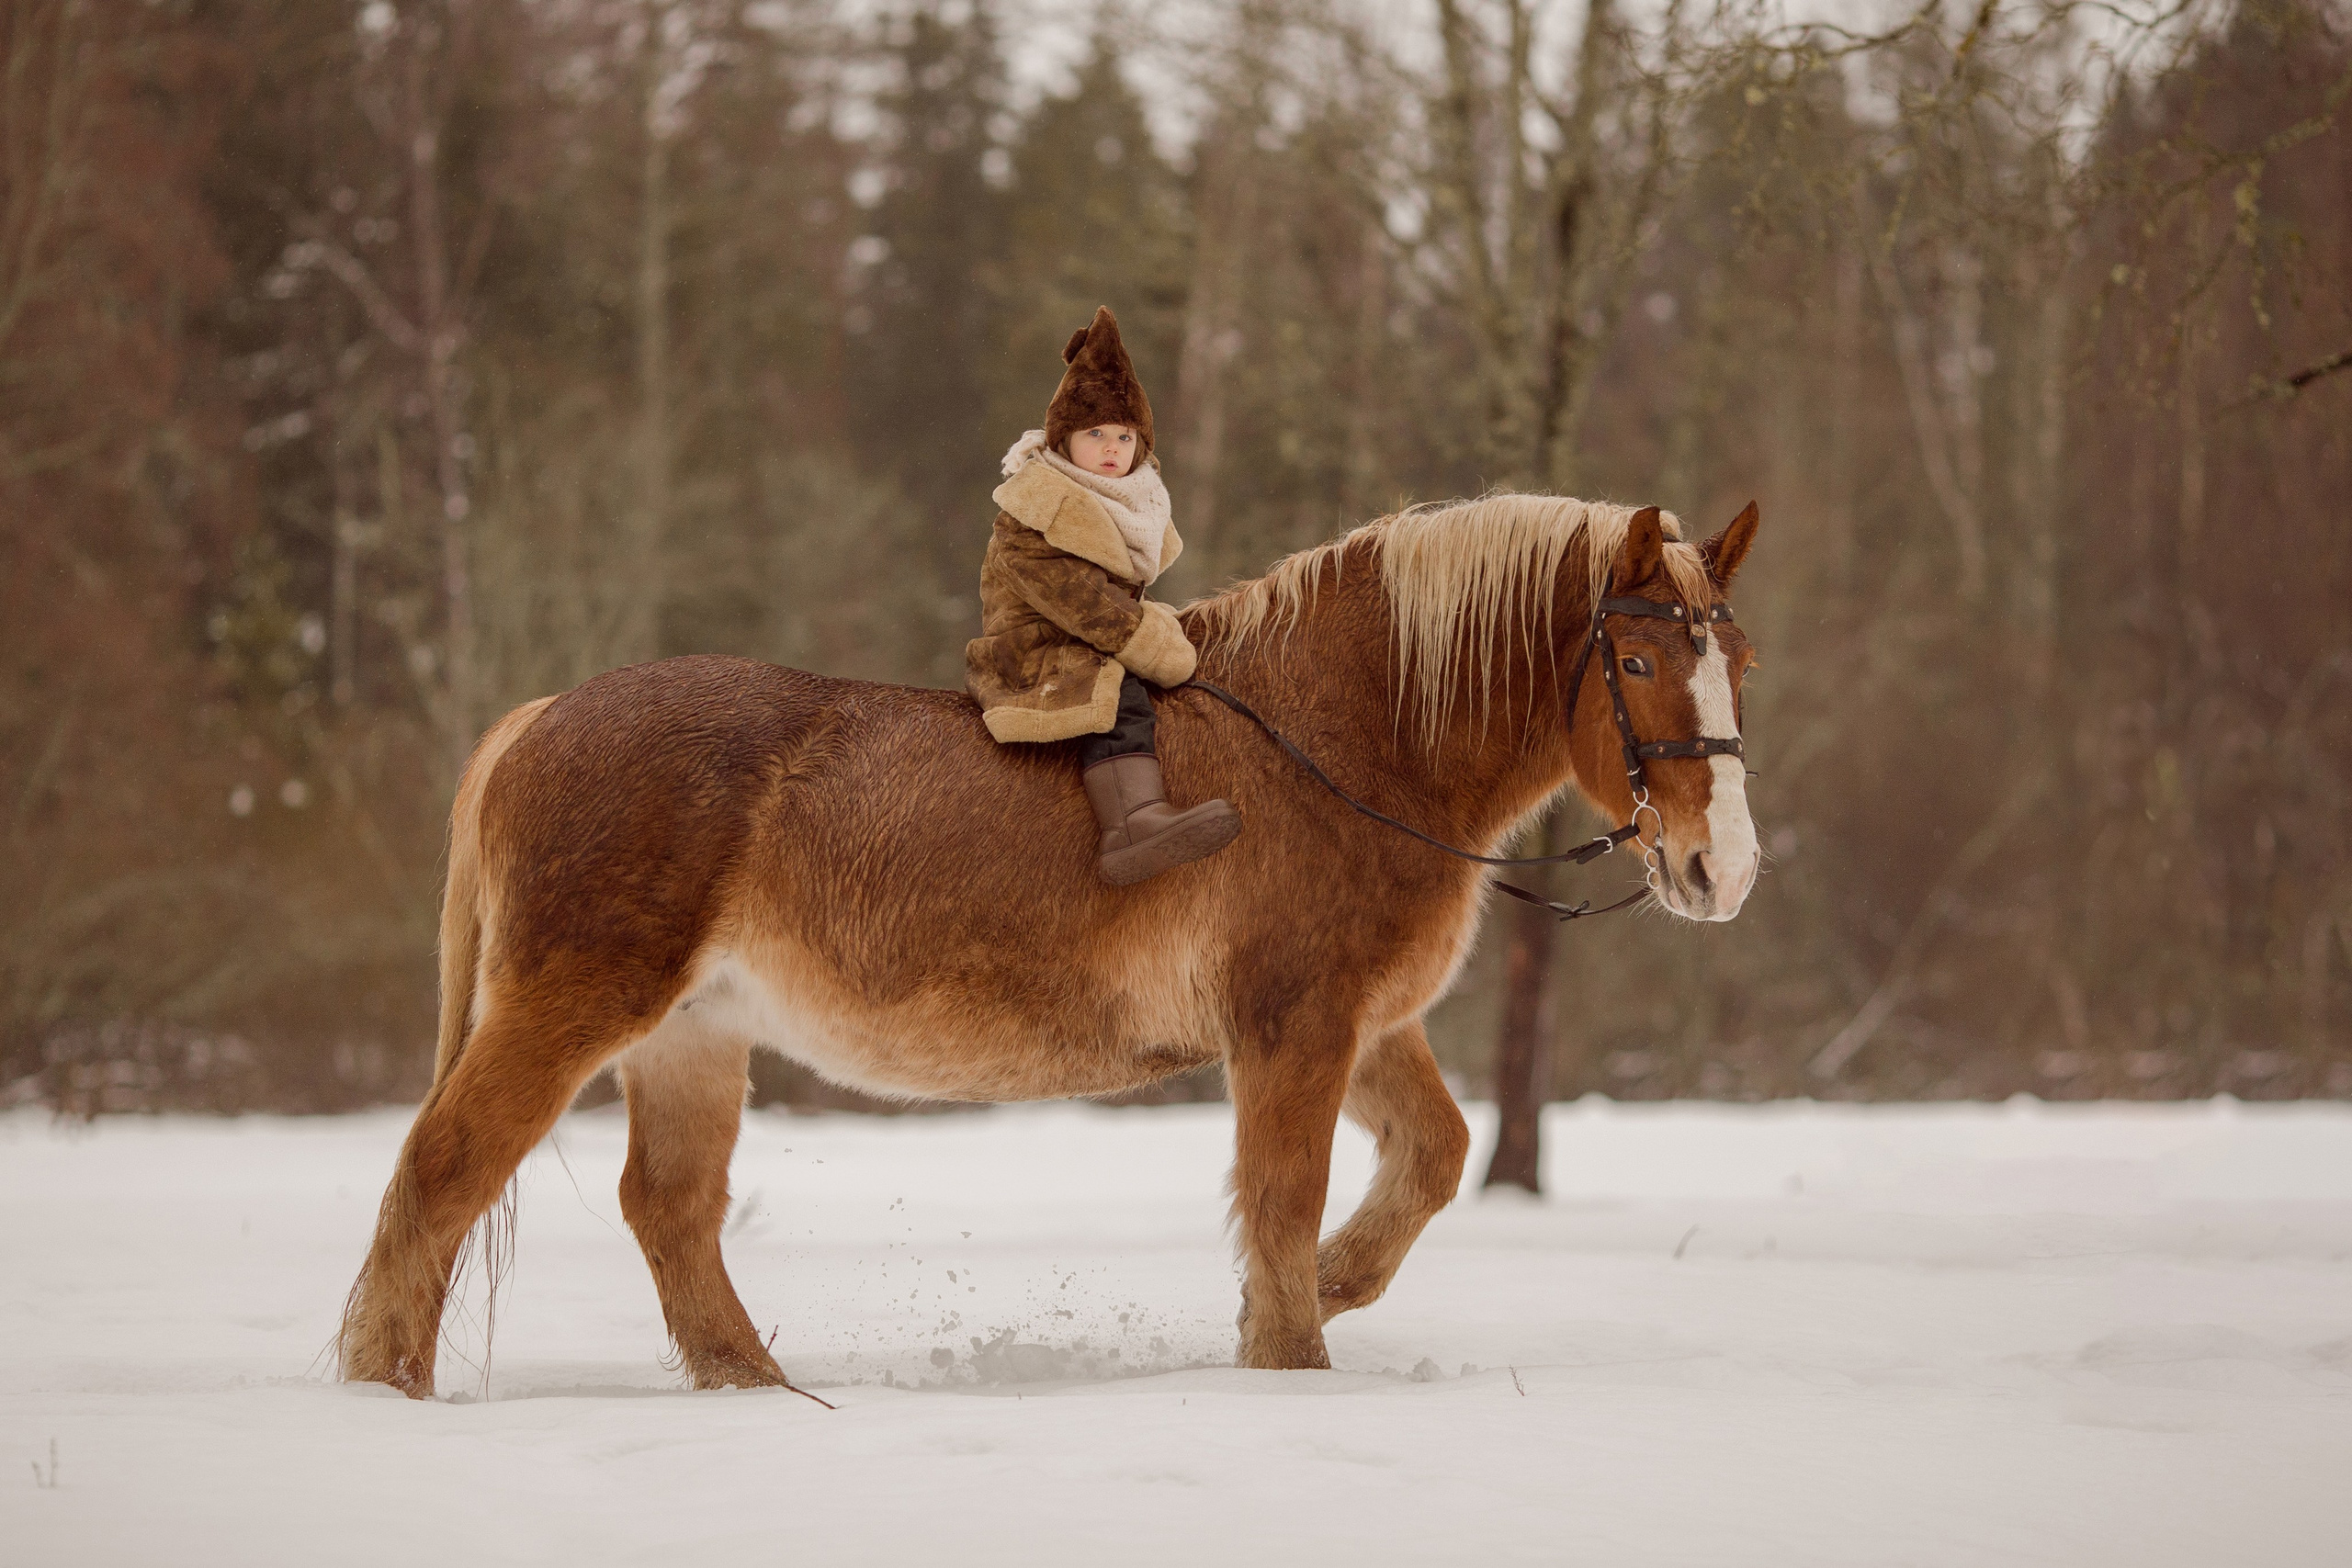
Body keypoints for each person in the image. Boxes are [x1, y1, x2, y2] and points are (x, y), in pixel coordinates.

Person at [964, 306, 1242, 886]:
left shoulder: (1126, 502)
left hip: (1085, 632)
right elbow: (1081, 602)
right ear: (1065, 440)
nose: (1111, 448)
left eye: (1124, 436)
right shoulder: (1037, 508)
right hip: (1036, 644)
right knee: (1120, 696)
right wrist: (1156, 644)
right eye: (1095, 435)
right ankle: (1132, 823)